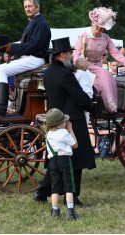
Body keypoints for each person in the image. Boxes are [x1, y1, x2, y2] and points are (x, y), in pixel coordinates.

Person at [39, 37, 95, 207]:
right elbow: (79, 96)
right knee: (75, 161)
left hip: (56, 119)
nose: (72, 56)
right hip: (72, 121)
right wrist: (92, 107)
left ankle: (41, 192)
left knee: (57, 158)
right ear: (62, 55)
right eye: (70, 53)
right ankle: (73, 197)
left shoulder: (48, 72)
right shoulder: (65, 74)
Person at [0, 0, 51, 116]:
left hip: (36, 58)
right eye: (25, 7)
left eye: (30, 6)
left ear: (37, 7)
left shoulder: (40, 23)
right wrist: (13, 54)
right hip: (29, 57)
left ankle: (1, 106)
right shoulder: (33, 22)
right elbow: (27, 46)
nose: (27, 9)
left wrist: (13, 47)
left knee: (1, 71)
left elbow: (33, 46)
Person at [72, 7, 125, 114]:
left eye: (102, 27)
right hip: (86, 67)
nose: (100, 29)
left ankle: (113, 106)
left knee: (110, 78)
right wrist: (78, 63)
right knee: (105, 73)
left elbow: (115, 52)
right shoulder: (84, 36)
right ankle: (109, 107)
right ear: (93, 23)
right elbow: (76, 55)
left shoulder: (106, 38)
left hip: (98, 67)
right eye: (98, 26)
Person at [45, 108, 80, 219]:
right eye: (64, 121)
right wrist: (70, 129)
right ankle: (70, 212)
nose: (66, 122)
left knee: (55, 187)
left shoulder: (48, 134)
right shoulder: (64, 133)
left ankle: (55, 211)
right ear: (60, 125)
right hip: (64, 160)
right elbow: (75, 145)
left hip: (53, 162)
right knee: (68, 186)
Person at [74, 58, 94, 124]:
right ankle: (86, 122)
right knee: (86, 113)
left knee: (84, 112)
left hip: (83, 94)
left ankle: (85, 123)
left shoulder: (77, 73)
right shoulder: (86, 74)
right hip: (89, 93)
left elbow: (75, 81)